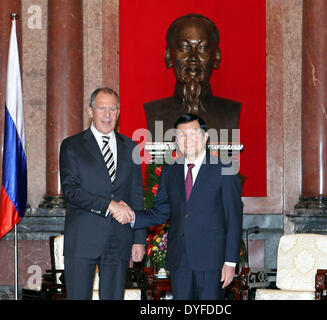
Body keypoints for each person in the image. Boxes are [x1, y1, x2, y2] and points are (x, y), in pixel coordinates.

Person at [123, 113, 243, 300]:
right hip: (180, 261)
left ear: (205, 137)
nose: (187, 139)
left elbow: (233, 218)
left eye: (193, 133)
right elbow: (161, 211)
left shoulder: (224, 168)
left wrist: (230, 262)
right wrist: (132, 217)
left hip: (213, 262)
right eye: (181, 135)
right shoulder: (170, 170)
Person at [59, 87, 146, 300]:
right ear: (90, 111)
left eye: (113, 109)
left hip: (119, 240)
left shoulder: (130, 147)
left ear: (119, 113)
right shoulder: (72, 146)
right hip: (82, 240)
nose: (108, 115)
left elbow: (136, 195)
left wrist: (139, 240)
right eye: (102, 108)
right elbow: (71, 191)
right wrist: (110, 205)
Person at [144, 13, 241, 142]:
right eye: (184, 48)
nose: (193, 58)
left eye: (202, 48)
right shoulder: (154, 112)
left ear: (216, 57)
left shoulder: (230, 112)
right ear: (169, 56)